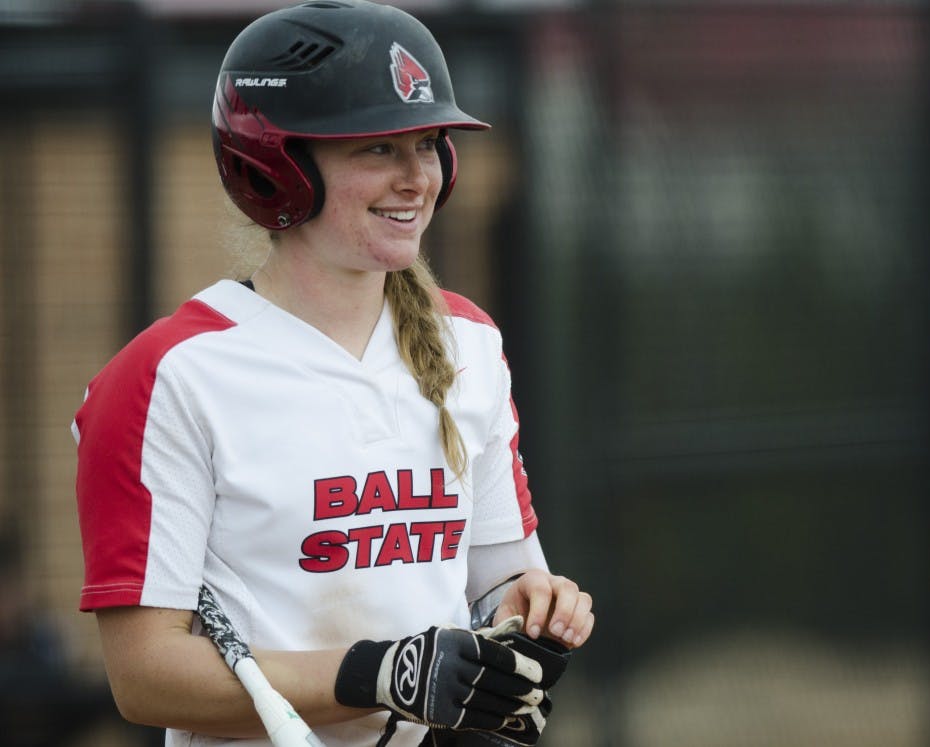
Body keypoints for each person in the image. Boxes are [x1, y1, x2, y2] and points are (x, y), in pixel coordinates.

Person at [71, 2, 593, 746]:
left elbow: (499, 583)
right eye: (377, 148)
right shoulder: (170, 376)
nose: (417, 177)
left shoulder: (467, 343)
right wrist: (375, 674)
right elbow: (145, 675)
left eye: (428, 143)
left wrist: (533, 615)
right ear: (276, 166)